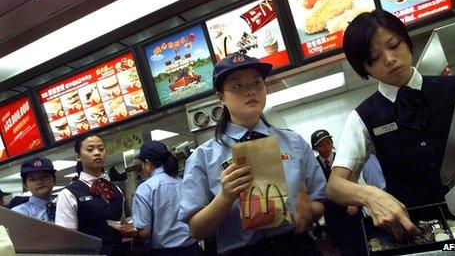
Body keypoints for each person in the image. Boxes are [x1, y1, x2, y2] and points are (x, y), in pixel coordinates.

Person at [326, 9, 455, 240]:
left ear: (406, 41)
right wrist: (370, 195)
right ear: (365, 68)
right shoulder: (363, 117)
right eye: (374, 58)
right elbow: (335, 186)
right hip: (419, 233)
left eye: (394, 44)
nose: (389, 59)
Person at [179, 52, 327, 255]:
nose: (250, 91)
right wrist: (225, 196)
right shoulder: (202, 158)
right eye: (238, 85)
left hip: (297, 246)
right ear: (220, 96)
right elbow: (197, 230)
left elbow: (320, 198)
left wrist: (309, 211)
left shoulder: (294, 143)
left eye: (257, 83)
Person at [55, 134, 136, 255]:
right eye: (90, 149)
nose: (97, 153)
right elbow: (66, 240)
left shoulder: (116, 189)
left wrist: (128, 229)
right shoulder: (68, 194)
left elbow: (121, 224)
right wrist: (106, 224)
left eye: (101, 149)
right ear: (78, 156)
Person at [312, 129, 380, 256]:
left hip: (352, 210)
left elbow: (354, 181)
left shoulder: (343, 159)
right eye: (321, 145)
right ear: (315, 148)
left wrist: (355, 203)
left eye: (328, 143)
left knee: (363, 246)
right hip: (332, 215)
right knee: (345, 249)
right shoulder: (313, 165)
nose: (326, 147)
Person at [131, 140, 202, 255]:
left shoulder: (145, 189)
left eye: (142, 164)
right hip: (192, 249)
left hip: (164, 252)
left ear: (148, 164)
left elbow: (144, 233)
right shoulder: (183, 182)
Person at [11, 157, 56, 223]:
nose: (39, 182)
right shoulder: (18, 213)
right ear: (25, 185)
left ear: (53, 179)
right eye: (33, 179)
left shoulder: (64, 206)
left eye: (44, 176)